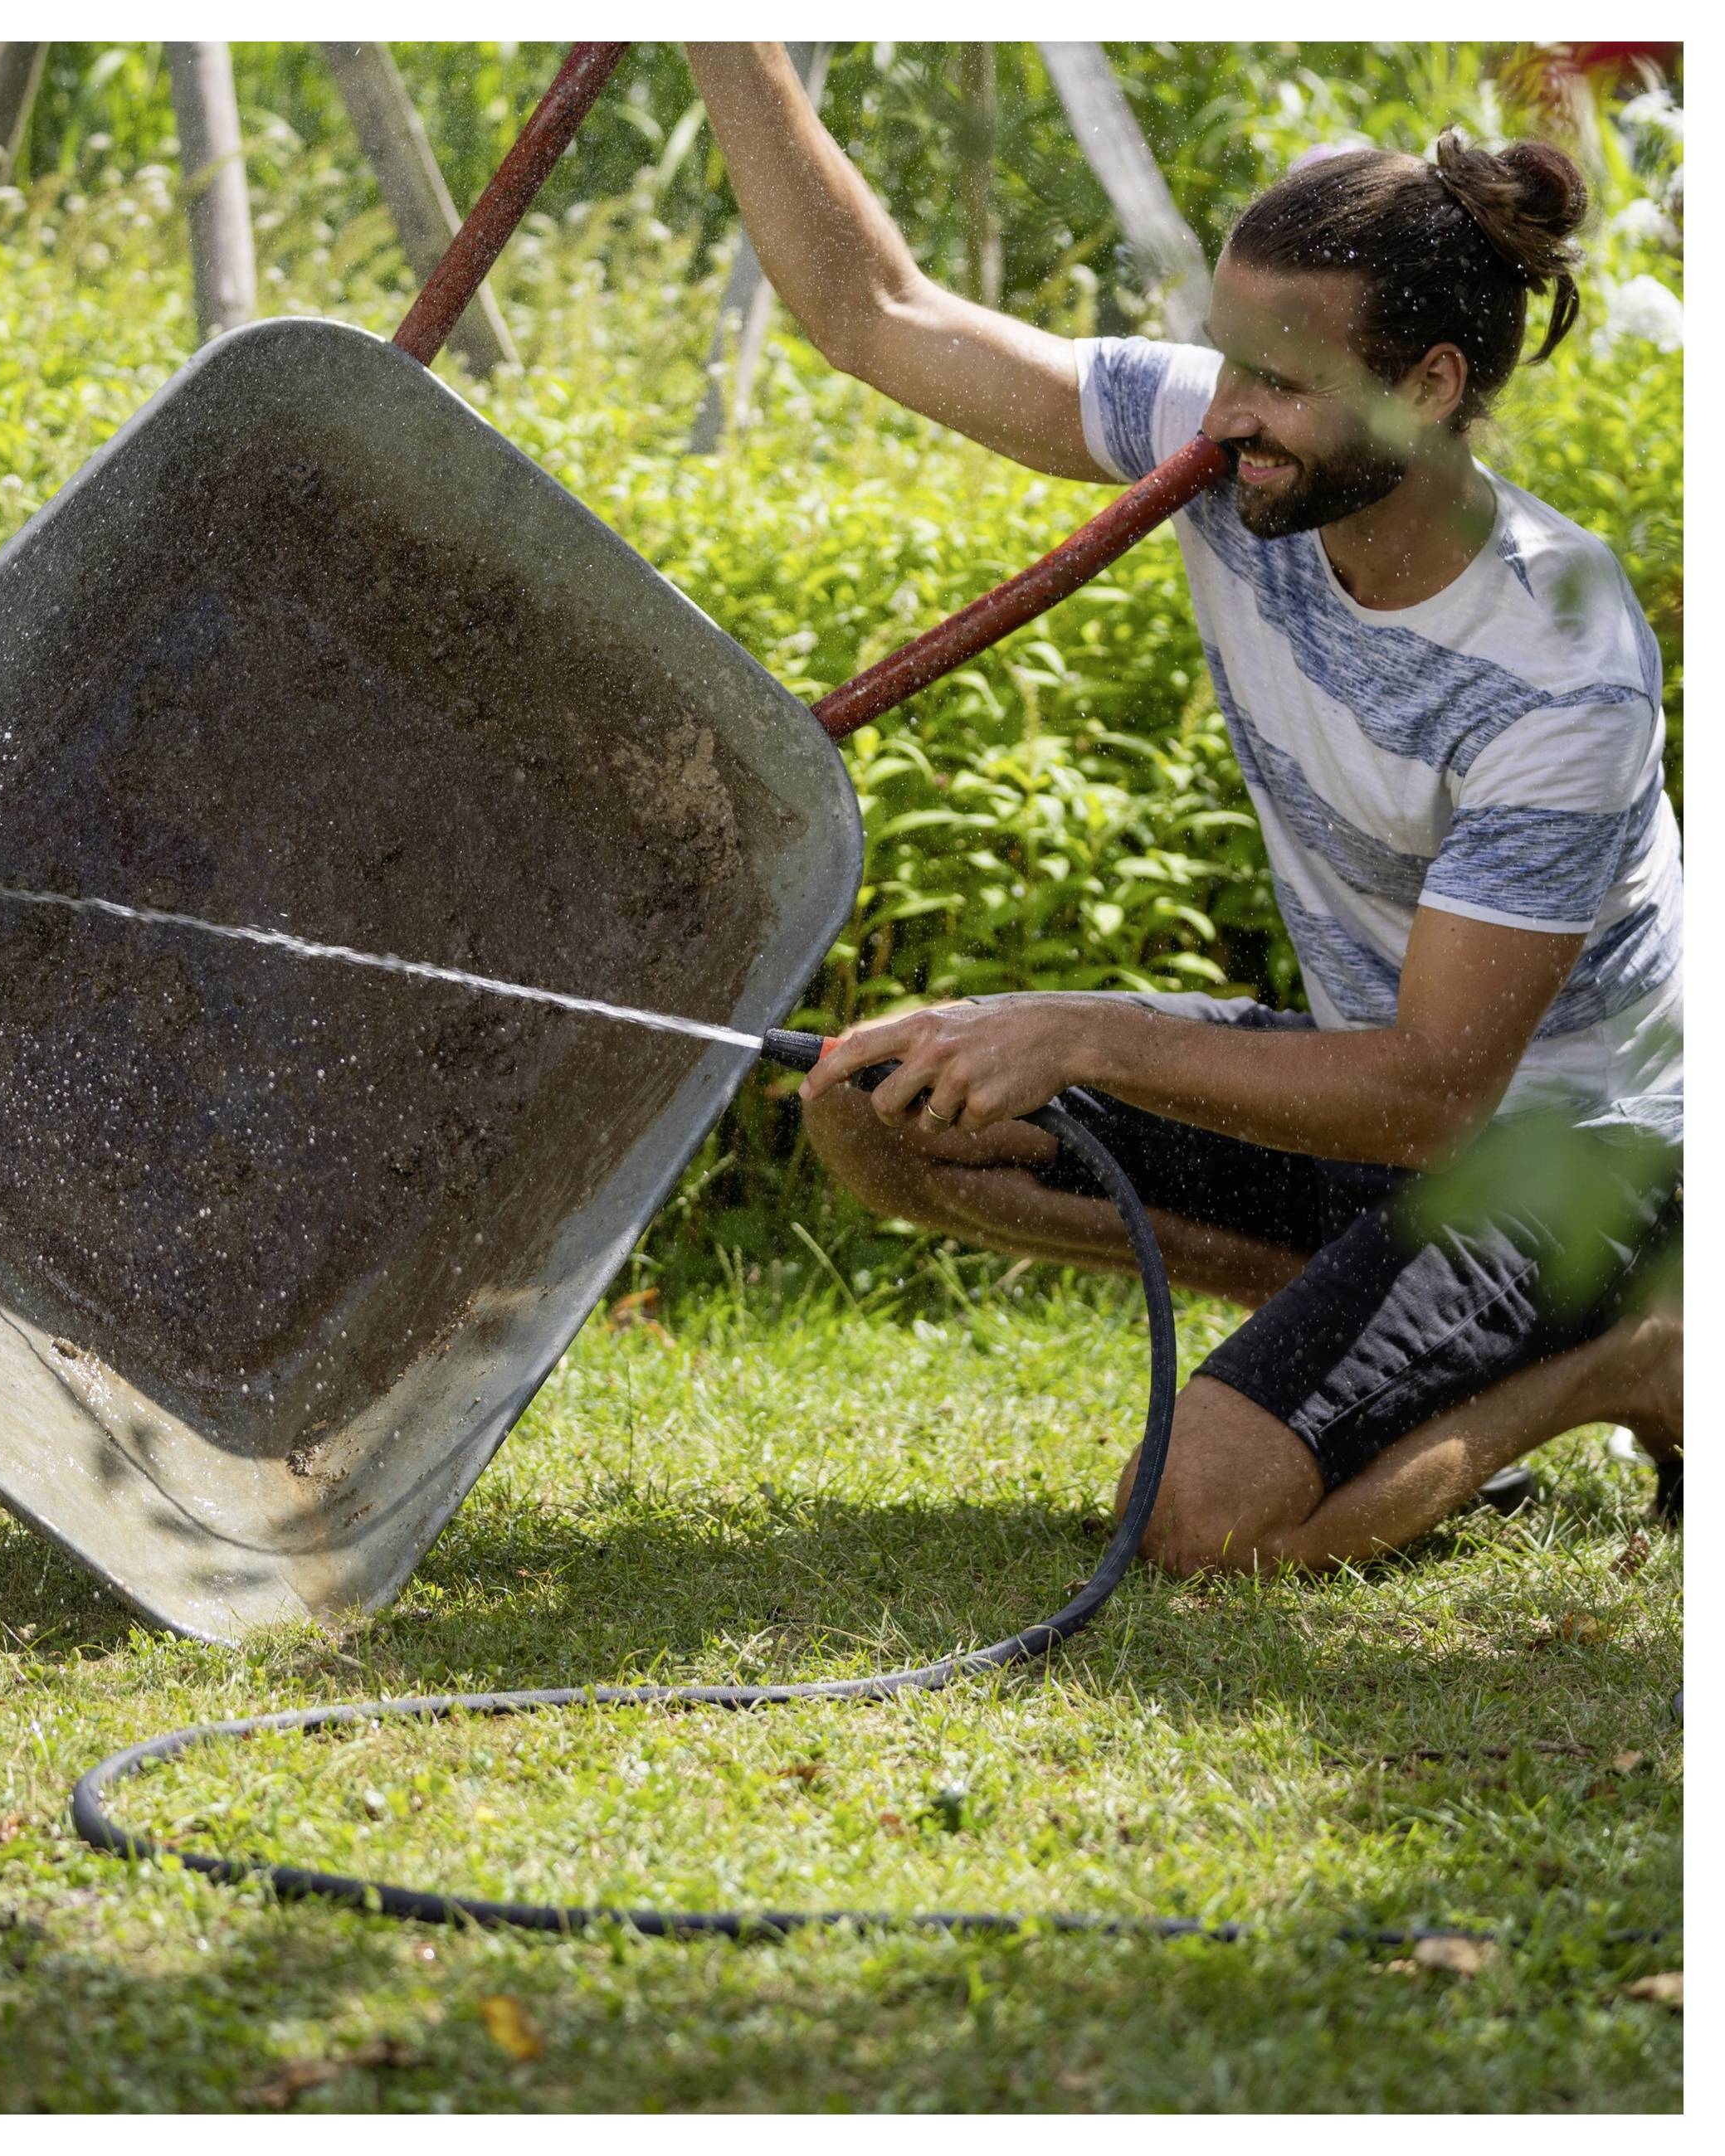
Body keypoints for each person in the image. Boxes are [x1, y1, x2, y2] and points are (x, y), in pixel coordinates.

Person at [685, 45, 1683, 1571]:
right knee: (880, 1109)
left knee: (1197, 1527)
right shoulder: (1245, 452)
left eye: (1282, 382)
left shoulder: (1560, 668)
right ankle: (1385, 1374)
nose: (1226, 416)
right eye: (1225, 360)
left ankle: (1637, 1357)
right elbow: (876, 312)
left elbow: (1437, 1092)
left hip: (1580, 1151)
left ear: (1429, 388)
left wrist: (1080, 1031)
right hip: (1393, 1125)